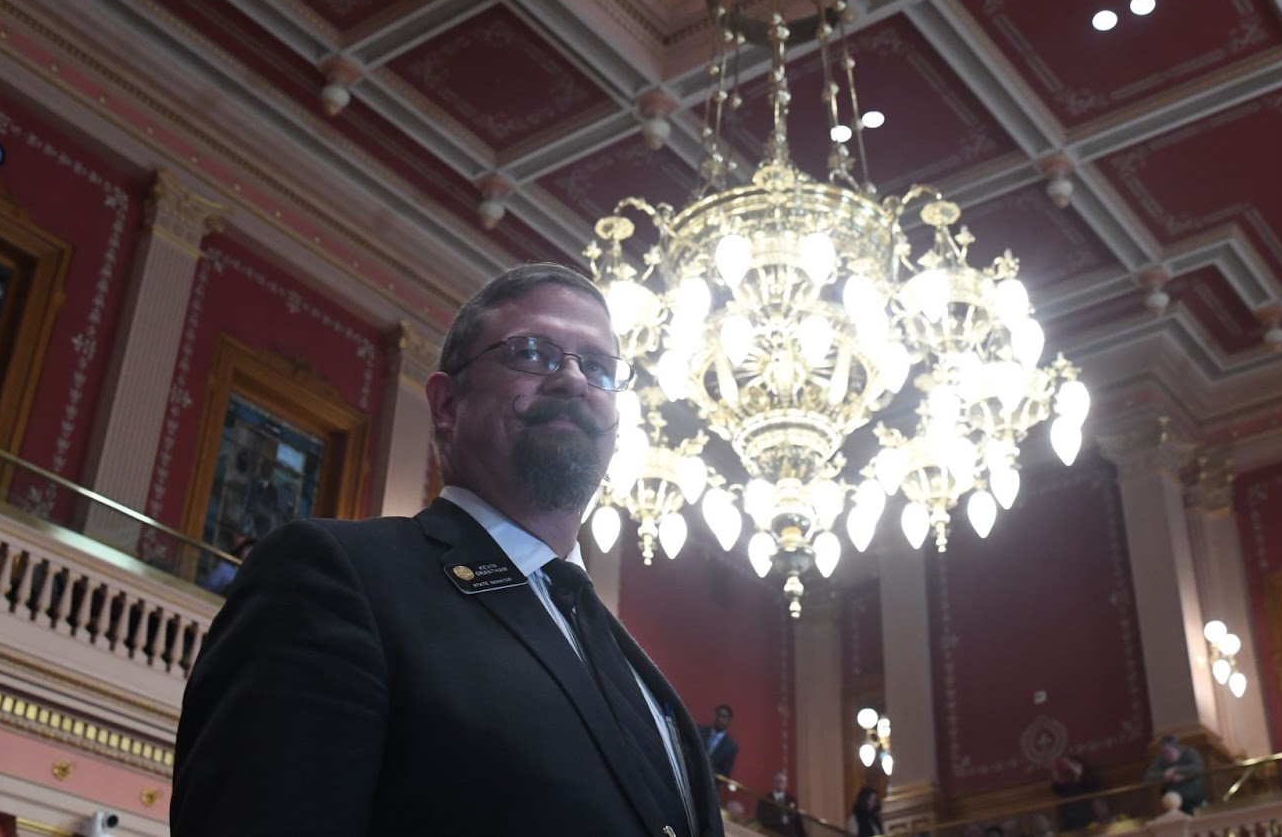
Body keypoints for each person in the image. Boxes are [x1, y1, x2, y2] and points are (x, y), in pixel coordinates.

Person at [172, 263, 725, 837]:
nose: (572, 380)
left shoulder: (643, 681)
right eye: (533, 353)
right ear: (446, 404)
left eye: (597, 366)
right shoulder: (336, 578)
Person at [1144, 735, 1206, 813]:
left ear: (1177, 748)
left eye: (1168, 752)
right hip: (1173, 803)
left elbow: (1199, 768)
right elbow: (1148, 777)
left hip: (1195, 797)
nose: (1166, 756)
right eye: (1163, 753)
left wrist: (1177, 770)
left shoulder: (1189, 753)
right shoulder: (1161, 759)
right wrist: (1164, 775)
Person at [1052, 753, 1103, 831]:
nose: (1071, 768)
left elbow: (1091, 787)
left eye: (1074, 765)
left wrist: (1078, 775)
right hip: (1071, 821)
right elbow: (1057, 789)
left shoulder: (1088, 779)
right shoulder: (1066, 784)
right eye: (1070, 766)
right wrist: (1056, 774)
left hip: (1089, 819)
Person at [756, 770, 807, 837]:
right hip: (772, 833)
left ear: (786, 784)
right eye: (777, 781)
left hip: (789, 834)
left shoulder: (791, 800)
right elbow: (762, 819)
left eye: (782, 781)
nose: (779, 784)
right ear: (773, 783)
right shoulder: (765, 800)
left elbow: (798, 821)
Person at [698, 703, 738, 777]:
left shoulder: (731, 747)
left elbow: (725, 774)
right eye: (718, 715)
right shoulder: (699, 731)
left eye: (724, 717)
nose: (720, 719)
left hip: (710, 783)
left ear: (729, 720)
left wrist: (709, 769)